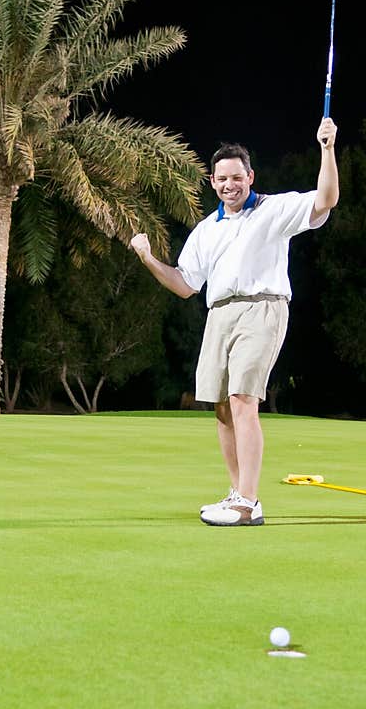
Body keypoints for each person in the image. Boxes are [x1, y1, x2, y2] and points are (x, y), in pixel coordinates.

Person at [129, 116, 339, 526]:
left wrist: (327, 148)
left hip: (263, 307)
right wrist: (148, 258)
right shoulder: (207, 230)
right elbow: (186, 284)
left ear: (250, 176)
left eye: (237, 177)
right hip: (219, 314)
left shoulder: (274, 209)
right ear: (212, 182)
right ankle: (235, 492)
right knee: (222, 407)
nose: (230, 184)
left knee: (244, 400)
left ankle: (249, 502)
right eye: (223, 178)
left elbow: (326, 199)